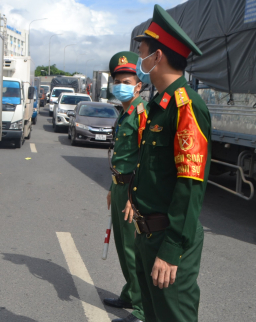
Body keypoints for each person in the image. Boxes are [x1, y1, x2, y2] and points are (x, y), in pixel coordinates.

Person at [123, 5, 211, 322]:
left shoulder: (185, 105)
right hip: (148, 234)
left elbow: (190, 183)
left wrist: (172, 248)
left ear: (157, 57)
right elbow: (153, 169)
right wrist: (134, 198)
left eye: (142, 53)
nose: (139, 61)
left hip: (168, 238)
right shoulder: (160, 104)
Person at [103, 52, 146, 322]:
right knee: (121, 245)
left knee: (133, 249)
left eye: (126, 80)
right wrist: (112, 188)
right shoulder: (125, 113)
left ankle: (142, 308)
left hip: (132, 191)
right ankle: (129, 293)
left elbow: (144, 159)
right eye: (117, 80)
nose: (120, 85)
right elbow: (121, 156)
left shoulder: (142, 114)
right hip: (119, 187)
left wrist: (133, 197)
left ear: (138, 85)